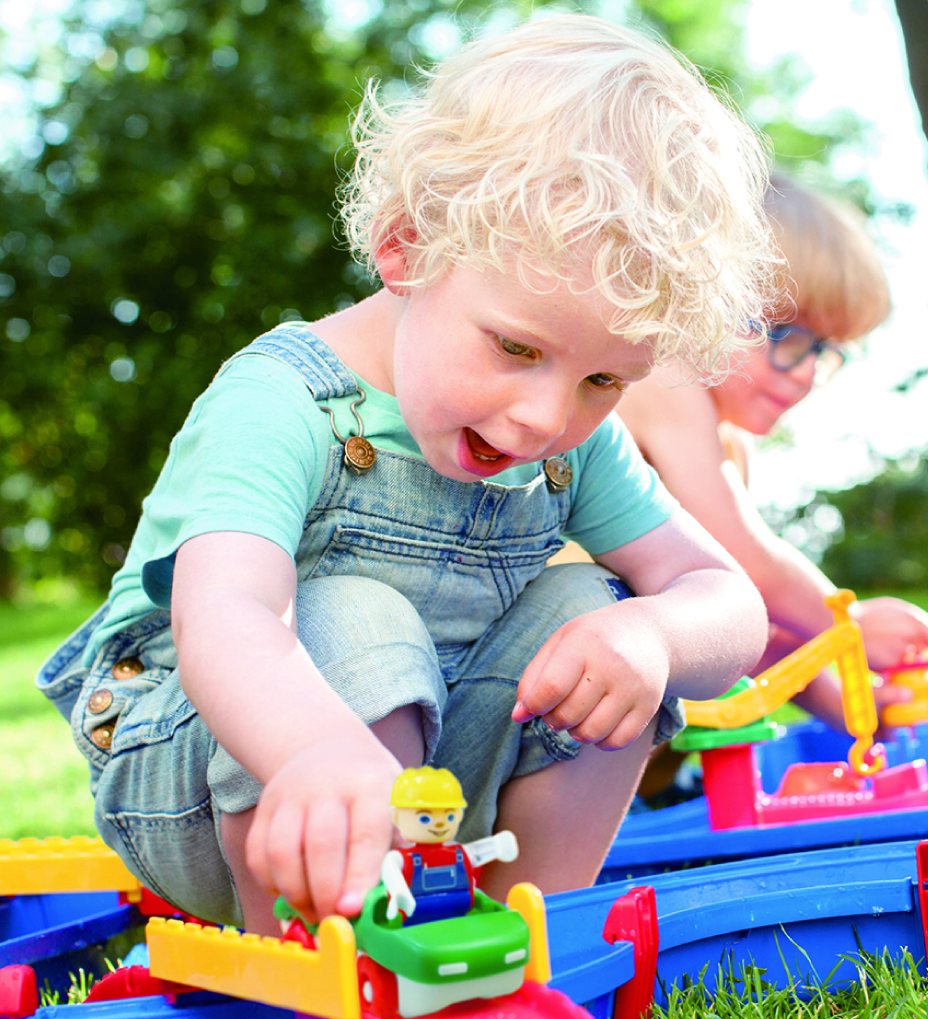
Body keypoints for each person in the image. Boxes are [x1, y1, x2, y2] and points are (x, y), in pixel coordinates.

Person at [36, 15, 774, 933]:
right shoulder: (284, 400)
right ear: (407, 249)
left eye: (601, 380)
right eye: (516, 347)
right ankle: (319, 954)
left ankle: (527, 933)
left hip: (433, 786)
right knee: (352, 610)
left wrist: (656, 637)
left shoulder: (571, 443)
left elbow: (727, 599)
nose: (547, 416)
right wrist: (311, 748)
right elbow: (225, 611)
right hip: (217, 767)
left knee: (599, 611)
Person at [618, 172, 928, 763]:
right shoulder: (662, 380)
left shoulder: (730, 447)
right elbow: (748, 564)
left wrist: (853, 702)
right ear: (699, 301)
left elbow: (749, 620)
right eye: (784, 334)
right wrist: (850, 623)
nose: (805, 372)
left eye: (826, 350)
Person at [381, 766, 518, 924]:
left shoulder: (460, 854)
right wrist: (398, 891)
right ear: (398, 818)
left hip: (459, 921)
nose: (440, 824)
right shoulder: (400, 858)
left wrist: (499, 846)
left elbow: (483, 851)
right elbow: (390, 868)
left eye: (449, 816)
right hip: (414, 926)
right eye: (425, 818)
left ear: (458, 815)